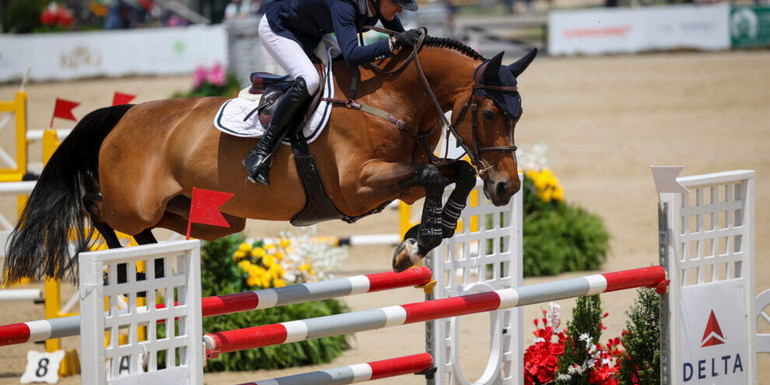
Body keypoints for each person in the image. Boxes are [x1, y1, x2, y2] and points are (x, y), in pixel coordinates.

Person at [242, 0, 424, 186]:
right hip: (279, 28)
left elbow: (401, 37)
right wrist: (392, 44)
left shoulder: (380, 6)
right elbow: (353, 55)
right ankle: (261, 152)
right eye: (397, 3)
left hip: (312, 32)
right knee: (310, 80)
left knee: (346, 71)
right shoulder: (344, 5)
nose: (401, 9)